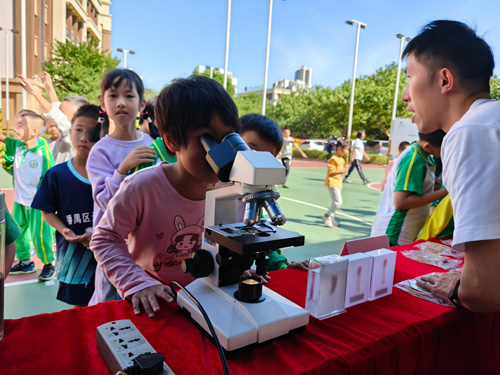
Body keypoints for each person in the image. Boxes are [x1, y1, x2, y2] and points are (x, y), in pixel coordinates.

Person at [89, 75, 239, 317]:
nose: (221, 153)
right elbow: (105, 238)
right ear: (171, 142)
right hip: (149, 298)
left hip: (204, 297)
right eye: (207, 140)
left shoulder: (231, 187)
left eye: (228, 138)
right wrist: (137, 283)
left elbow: (235, 238)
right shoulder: (141, 187)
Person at [398, 20, 500, 312]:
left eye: (410, 77)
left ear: (444, 81)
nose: (405, 95)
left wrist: (457, 287)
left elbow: (484, 292)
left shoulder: (471, 132)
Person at [87, 69, 156, 304]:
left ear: (141, 103)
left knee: (143, 298)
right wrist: (123, 169)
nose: (121, 103)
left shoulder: (152, 144)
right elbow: (104, 201)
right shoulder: (100, 151)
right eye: (113, 96)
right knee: (108, 301)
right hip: (113, 243)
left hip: (145, 243)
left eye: (129, 96)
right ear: (102, 103)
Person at [31, 104, 102, 307]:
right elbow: (47, 211)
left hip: (109, 259)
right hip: (74, 261)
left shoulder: (113, 176)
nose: (84, 137)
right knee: (81, 313)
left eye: (93, 132)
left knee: (109, 311)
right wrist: (64, 230)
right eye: (79, 130)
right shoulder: (57, 174)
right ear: (70, 132)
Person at [239, 113, 309, 271]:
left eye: (266, 160)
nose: (256, 164)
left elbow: (263, 234)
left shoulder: (252, 195)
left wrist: (282, 266)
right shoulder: (211, 186)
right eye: (251, 151)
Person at [0, 110, 56, 280]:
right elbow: (5, 139)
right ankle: (25, 261)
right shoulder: (18, 146)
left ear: (33, 131)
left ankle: (48, 263)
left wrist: (48, 202)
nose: (15, 129)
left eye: (19, 126)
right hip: (20, 200)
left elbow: (49, 179)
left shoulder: (42, 153)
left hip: (37, 202)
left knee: (40, 234)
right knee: (19, 232)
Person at [370, 130, 448, 246]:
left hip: (404, 232)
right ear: (427, 147)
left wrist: (433, 187)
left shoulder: (424, 156)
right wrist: (444, 192)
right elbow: (401, 202)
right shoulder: (414, 160)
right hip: (394, 233)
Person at [17, 73, 90, 164]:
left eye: (62, 113)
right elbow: (56, 108)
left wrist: (35, 93)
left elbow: (56, 115)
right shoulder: (67, 132)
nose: (58, 114)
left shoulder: (76, 135)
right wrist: (50, 88)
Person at [321, 139, 350, 228]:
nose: (347, 152)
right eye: (346, 149)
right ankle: (327, 216)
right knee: (338, 202)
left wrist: (345, 170)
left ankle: (331, 217)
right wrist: (342, 170)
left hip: (338, 182)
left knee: (335, 202)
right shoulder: (333, 159)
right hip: (332, 182)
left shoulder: (341, 159)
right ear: (339, 149)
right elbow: (331, 172)